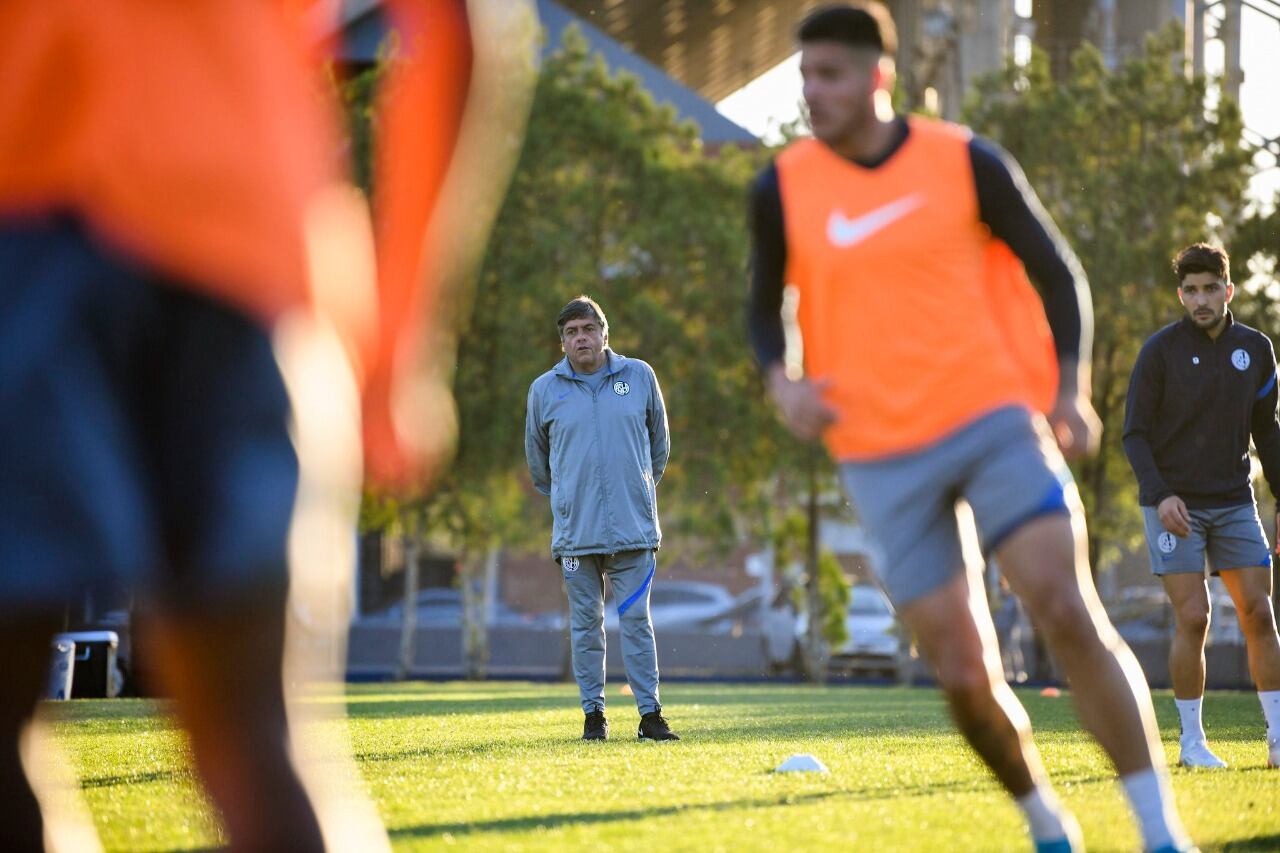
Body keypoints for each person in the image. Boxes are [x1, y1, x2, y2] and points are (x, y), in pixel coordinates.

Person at [0, 1, 531, 849]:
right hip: (244, 244)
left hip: (33, 231)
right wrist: (400, 342)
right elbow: (455, 26)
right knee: (252, 731)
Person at [747, 5, 1195, 852]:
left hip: (991, 417)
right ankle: (1045, 823)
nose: (814, 92)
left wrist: (1070, 390)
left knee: (1063, 604)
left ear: (878, 77)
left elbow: (1056, 271)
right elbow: (763, 307)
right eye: (805, 76)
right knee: (960, 670)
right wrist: (782, 380)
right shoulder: (782, 185)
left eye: (830, 74)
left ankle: (1159, 831)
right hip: (877, 451)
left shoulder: (965, 160)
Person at [1122, 242, 1280, 770]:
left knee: (1259, 614)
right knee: (1194, 617)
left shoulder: (1256, 349)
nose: (1201, 299)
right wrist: (1161, 494)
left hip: (1235, 500)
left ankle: (1278, 738)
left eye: (1211, 288)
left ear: (1228, 290)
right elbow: (1135, 435)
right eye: (1190, 290)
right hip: (1175, 505)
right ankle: (1192, 744)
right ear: (1181, 295)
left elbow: (1268, 432)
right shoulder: (1160, 352)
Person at [525, 296, 680, 742]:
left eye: (587, 330)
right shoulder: (544, 391)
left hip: (634, 532)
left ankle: (650, 716)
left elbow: (660, 448)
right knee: (585, 626)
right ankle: (594, 715)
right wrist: (571, 500)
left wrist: (637, 490)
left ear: (604, 334)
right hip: (576, 537)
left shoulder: (639, 376)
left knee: (636, 623)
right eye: (571, 333)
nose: (581, 339)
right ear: (562, 343)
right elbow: (539, 465)